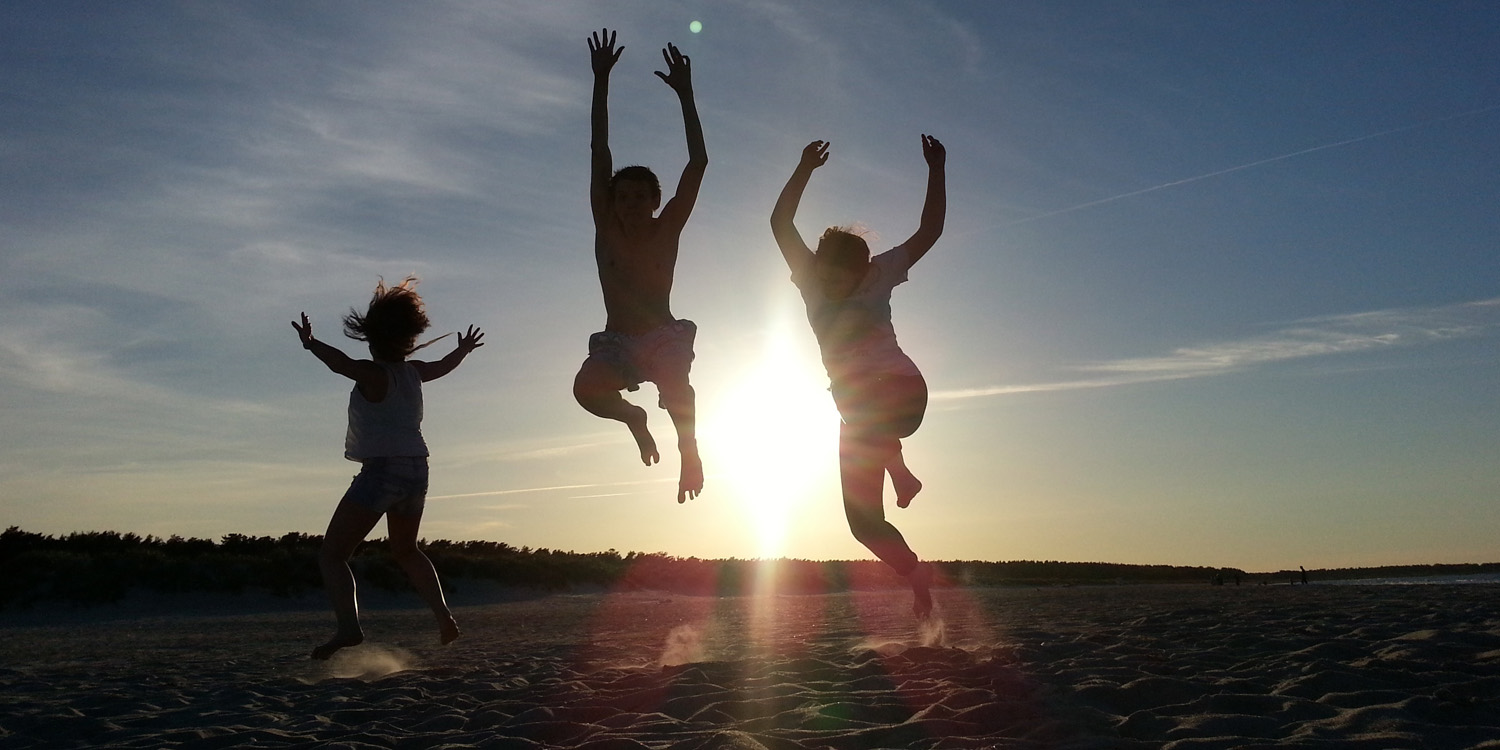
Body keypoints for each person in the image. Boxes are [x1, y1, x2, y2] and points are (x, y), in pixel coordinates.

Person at [771, 135, 946, 618]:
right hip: (857, 412)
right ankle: (914, 572)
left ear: (862, 269)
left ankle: (900, 472)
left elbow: (929, 231)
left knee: (845, 390)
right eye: (825, 274)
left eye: (841, 276)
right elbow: (780, 224)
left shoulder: (878, 274)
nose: (830, 284)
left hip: (902, 395)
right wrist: (804, 167)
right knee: (862, 522)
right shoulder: (810, 277)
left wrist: (937, 169)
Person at [291, 277, 484, 660]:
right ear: (407, 339)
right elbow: (444, 366)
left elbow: (339, 363)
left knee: (332, 555)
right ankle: (444, 617)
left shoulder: (372, 373)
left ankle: (349, 629)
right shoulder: (415, 372)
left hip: (382, 471)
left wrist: (311, 344)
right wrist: (462, 350)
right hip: (417, 468)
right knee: (407, 550)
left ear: (373, 338)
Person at [573, 28, 708, 504]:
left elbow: (698, 164)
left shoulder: (665, 227)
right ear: (612, 201)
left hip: (660, 336)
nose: (630, 203)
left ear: (655, 201)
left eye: (640, 197)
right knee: (586, 390)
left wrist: (686, 97)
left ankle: (688, 453)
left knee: (677, 387)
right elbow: (598, 152)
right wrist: (600, 80)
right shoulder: (605, 228)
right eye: (622, 196)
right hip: (618, 342)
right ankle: (634, 418)